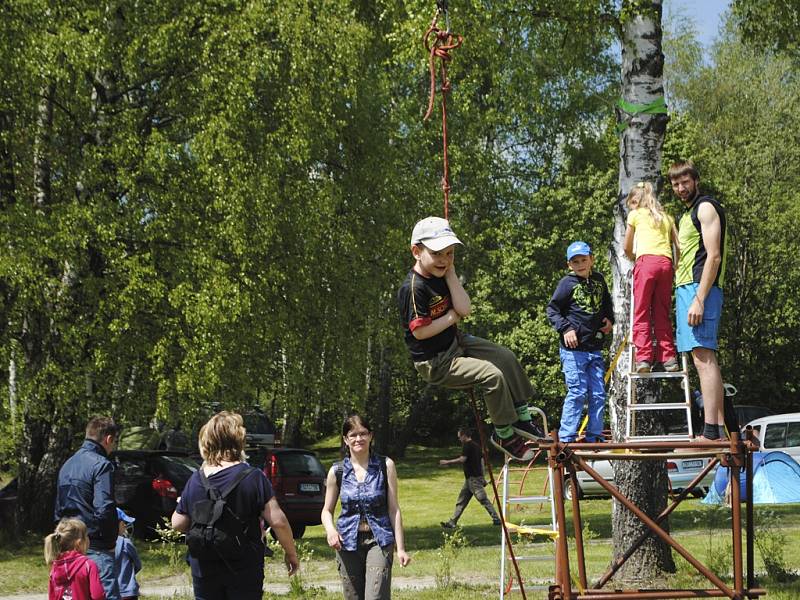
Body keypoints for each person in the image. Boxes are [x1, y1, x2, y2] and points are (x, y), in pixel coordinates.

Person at [397, 216, 546, 462]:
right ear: (416, 251)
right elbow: (420, 332)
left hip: (456, 340)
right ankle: (504, 434)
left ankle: (523, 418)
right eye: (437, 254)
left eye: (450, 254)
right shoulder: (414, 288)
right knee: (491, 375)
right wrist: (450, 317)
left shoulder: (443, 275)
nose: (444, 260)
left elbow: (465, 309)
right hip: (436, 361)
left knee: (505, 357)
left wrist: (451, 275)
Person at [171, 411, 299, 600]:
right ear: (239, 440)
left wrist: (185, 505)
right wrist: (291, 553)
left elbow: (178, 523)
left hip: (204, 567)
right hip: (243, 567)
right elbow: (278, 521)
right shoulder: (253, 477)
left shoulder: (196, 479)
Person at [668, 160, 730, 440]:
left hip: (699, 288)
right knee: (700, 357)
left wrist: (699, 299)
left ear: (696, 180)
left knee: (704, 356)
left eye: (685, 182)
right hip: (685, 289)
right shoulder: (686, 214)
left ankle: (711, 431)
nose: (681, 188)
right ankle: (715, 428)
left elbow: (713, 256)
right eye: (676, 184)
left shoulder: (705, 207)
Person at [321, 414, 411, 600]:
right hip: (347, 543)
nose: (358, 439)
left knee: (375, 596)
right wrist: (330, 531)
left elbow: (394, 509)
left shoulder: (386, 466)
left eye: (363, 433)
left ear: (371, 436)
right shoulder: (337, 471)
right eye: (353, 435)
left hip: (379, 540)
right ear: (345, 439)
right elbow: (326, 511)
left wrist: (400, 548)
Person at [546, 241, 614, 443]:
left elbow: (606, 303)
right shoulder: (567, 284)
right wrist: (566, 328)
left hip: (594, 347)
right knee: (577, 392)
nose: (580, 264)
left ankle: (594, 435)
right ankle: (567, 437)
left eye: (584, 260)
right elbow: (552, 310)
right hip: (573, 350)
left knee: (598, 393)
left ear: (591, 259)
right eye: (575, 262)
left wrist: (609, 319)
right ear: (569, 265)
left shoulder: (599, 280)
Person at [55, 416, 123, 600]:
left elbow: (59, 509)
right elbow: (104, 507)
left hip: (69, 546)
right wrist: (110, 540)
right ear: (108, 439)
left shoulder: (66, 465)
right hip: (96, 545)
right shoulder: (102, 465)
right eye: (114, 442)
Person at [623, 181, 681, 373]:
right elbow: (679, 245)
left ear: (637, 201)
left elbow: (626, 247)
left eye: (631, 202)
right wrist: (676, 265)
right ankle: (669, 358)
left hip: (646, 263)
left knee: (641, 311)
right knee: (661, 312)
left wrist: (633, 257)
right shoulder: (666, 217)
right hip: (666, 265)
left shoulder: (635, 215)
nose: (629, 207)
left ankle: (644, 359)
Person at [439, 427, 501, 529]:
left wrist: (447, 462)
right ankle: (452, 522)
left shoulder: (467, 446)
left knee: (483, 499)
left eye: (459, 437)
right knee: (461, 501)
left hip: (473, 479)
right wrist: (483, 477)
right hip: (470, 480)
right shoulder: (476, 446)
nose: (459, 439)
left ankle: (496, 519)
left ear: (464, 436)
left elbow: (463, 459)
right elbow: (482, 462)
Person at [45, 518, 106, 600]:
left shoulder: (55, 567)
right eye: (87, 536)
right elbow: (98, 596)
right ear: (79, 543)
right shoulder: (88, 565)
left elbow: (52, 597)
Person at [114, 509, 141, 600]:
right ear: (120, 524)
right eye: (124, 523)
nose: (125, 526)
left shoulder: (101, 546)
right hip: (128, 591)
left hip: (110, 591)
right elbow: (138, 564)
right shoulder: (126, 543)